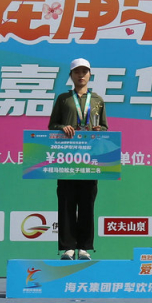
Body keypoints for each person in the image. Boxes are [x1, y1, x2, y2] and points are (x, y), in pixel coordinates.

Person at [48, 58, 108, 261]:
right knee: (66, 202)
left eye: (84, 72)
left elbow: (106, 127)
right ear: (71, 76)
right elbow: (52, 125)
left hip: (90, 160)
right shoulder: (64, 99)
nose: (81, 75)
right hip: (66, 159)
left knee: (87, 202)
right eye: (77, 72)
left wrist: (99, 130)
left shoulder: (98, 100)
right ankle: (67, 248)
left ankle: (83, 247)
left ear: (90, 75)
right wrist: (62, 127)